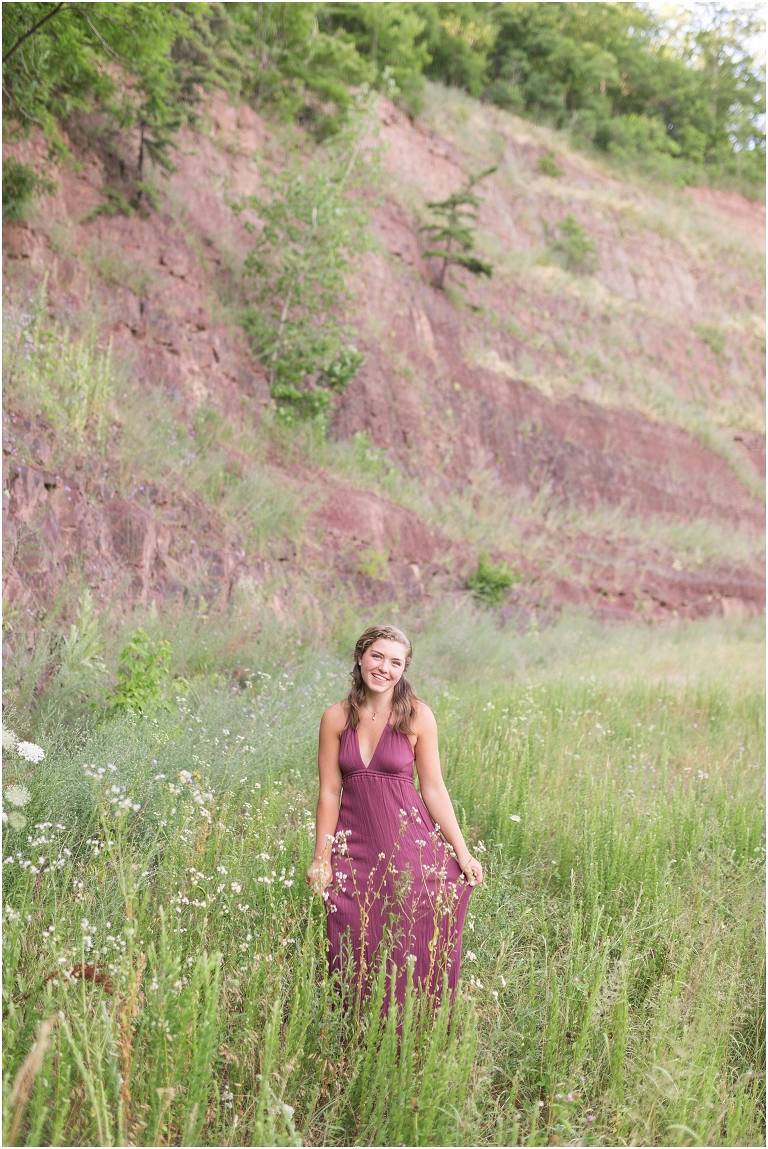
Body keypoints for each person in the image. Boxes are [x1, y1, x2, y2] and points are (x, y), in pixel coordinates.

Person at [305, 624, 483, 1008]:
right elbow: (329, 792)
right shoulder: (335, 718)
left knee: (412, 944)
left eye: (396, 662)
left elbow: (433, 789)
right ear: (360, 657)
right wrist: (322, 858)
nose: (384, 668)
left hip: (409, 850)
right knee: (351, 943)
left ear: (404, 669)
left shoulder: (417, 716)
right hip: (354, 852)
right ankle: (357, 1030)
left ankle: (414, 1028)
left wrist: (462, 851)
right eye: (377, 656)